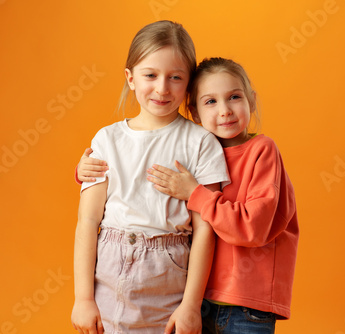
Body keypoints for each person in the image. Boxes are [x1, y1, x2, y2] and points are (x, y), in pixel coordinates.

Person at [78, 57, 299, 333]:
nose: (225, 111)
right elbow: (140, 177)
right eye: (211, 102)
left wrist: (195, 193)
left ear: (251, 101)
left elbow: (252, 227)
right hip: (200, 297)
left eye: (234, 97)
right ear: (194, 113)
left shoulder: (262, 151)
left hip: (245, 303)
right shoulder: (197, 147)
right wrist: (85, 169)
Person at [71, 22, 230, 334]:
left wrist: (190, 305)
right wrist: (83, 298)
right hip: (110, 271)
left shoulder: (200, 142)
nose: (162, 88)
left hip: (170, 275)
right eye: (150, 75)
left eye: (175, 77)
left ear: (189, 84)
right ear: (130, 78)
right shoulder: (107, 139)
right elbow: (88, 222)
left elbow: (205, 230)